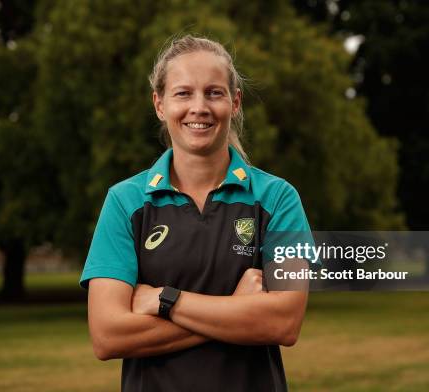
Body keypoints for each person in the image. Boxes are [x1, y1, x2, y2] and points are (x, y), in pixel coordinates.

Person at [80, 35, 313, 392]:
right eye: (183, 93)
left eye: (214, 93)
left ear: (235, 103)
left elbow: (283, 323)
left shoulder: (278, 198)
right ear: (159, 104)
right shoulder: (124, 202)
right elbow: (108, 336)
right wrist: (236, 311)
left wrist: (165, 300)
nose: (199, 107)